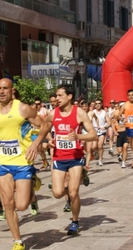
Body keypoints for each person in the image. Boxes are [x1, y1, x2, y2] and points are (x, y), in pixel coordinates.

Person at [0, 78, 44, 250]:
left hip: (22, 162)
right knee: (8, 204)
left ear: (11, 90)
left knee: (21, 205)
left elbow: (44, 126)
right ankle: (18, 241)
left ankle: (32, 181)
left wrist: (35, 144)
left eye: (5, 88)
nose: (1, 91)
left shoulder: (22, 108)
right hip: (2, 162)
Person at [28, 84, 96, 236]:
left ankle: (75, 221)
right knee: (57, 193)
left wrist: (78, 136)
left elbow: (93, 135)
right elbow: (44, 129)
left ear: (70, 96)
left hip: (75, 157)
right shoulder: (53, 114)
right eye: (56, 96)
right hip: (59, 157)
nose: (56, 99)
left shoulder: (79, 113)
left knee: (73, 193)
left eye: (60, 96)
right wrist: (49, 139)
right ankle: (75, 185)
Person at [119, 89, 133, 169]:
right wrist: (122, 119)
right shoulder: (125, 105)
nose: (131, 96)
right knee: (132, 145)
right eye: (129, 95)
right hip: (128, 127)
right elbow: (119, 115)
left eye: (132, 95)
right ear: (127, 96)